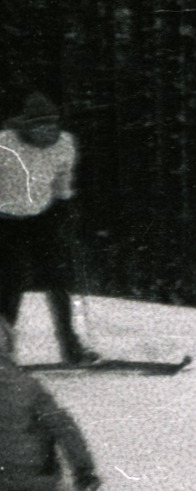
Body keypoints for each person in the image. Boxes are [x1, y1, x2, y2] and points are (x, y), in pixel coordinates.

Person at [0, 92, 96, 365]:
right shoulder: (5, 143)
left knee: (60, 279)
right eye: (39, 126)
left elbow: (63, 179)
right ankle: (3, 352)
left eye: (51, 125)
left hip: (43, 216)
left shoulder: (65, 143)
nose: (46, 131)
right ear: (26, 126)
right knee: (10, 284)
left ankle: (71, 347)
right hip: (5, 220)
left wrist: (66, 206)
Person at [0, 317, 100, 491]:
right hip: (33, 484)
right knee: (46, 419)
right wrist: (84, 472)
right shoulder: (27, 385)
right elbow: (65, 428)